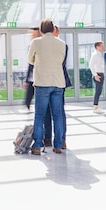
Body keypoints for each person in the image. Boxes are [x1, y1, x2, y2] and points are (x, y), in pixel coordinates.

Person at [28, 19, 66, 155]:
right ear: (52, 29)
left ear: (42, 29)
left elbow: (29, 59)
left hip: (42, 83)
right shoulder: (62, 44)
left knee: (39, 115)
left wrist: (39, 61)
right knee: (58, 116)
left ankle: (37, 145)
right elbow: (61, 61)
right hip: (58, 83)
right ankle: (58, 145)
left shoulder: (36, 42)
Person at [43, 25, 71, 150]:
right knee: (47, 112)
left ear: (56, 32)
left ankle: (61, 139)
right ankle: (48, 138)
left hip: (58, 80)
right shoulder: (45, 45)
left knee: (58, 112)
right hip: (50, 80)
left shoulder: (62, 45)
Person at [23, 27, 41, 110]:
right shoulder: (31, 45)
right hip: (32, 76)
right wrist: (27, 79)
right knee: (29, 94)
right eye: (32, 34)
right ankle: (27, 105)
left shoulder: (41, 45)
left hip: (40, 76)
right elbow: (30, 64)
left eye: (35, 34)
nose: (33, 36)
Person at [89, 41, 105, 113]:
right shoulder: (95, 55)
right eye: (101, 46)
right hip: (97, 75)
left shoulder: (99, 54)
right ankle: (95, 107)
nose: (102, 47)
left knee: (99, 91)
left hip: (101, 74)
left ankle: (96, 106)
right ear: (97, 47)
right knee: (98, 91)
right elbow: (91, 65)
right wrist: (95, 75)